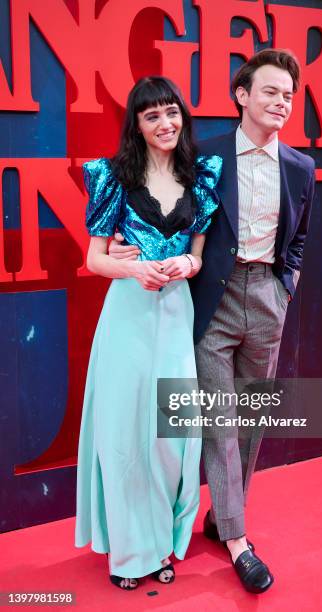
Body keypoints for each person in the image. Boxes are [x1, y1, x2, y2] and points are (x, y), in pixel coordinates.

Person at [109, 49, 315, 594]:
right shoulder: (206, 158)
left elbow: (297, 239)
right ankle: (240, 541)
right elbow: (159, 195)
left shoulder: (301, 167)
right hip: (212, 303)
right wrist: (131, 251)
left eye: (289, 95)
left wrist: (285, 286)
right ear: (242, 95)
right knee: (220, 421)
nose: (281, 103)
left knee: (252, 420)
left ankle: (223, 515)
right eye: (269, 91)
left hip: (268, 298)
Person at [75, 76, 222, 590]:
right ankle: (130, 553)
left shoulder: (202, 175)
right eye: (152, 115)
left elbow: (200, 256)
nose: (166, 123)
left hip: (176, 316)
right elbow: (93, 258)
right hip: (127, 318)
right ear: (136, 125)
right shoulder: (112, 176)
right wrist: (134, 271)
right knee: (122, 435)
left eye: (172, 112)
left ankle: (163, 543)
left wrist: (184, 261)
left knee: (170, 436)